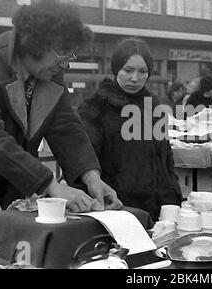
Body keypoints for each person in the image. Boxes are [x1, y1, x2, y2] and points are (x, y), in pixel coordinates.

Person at [0, 0, 123, 268]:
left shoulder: (48, 75)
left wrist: (92, 177)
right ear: (37, 41)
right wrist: (50, 185)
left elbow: (67, 129)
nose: (67, 63)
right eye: (64, 52)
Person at [78, 38, 183, 221]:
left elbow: (166, 156)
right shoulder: (95, 108)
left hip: (160, 210)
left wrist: (173, 194)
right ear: (116, 68)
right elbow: (84, 161)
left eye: (142, 71)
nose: (135, 78)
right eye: (128, 70)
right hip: (117, 209)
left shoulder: (153, 107)